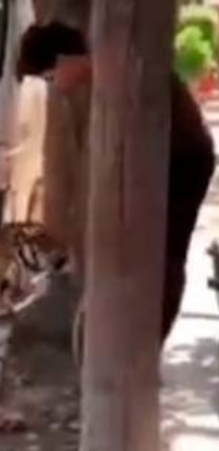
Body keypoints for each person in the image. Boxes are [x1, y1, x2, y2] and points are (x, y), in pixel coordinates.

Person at [15, 20, 216, 345]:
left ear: (66, 59)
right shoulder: (102, 75)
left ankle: (147, 344)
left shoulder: (118, 72)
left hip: (182, 162)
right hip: (164, 162)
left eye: (51, 77)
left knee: (163, 259)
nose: (56, 86)